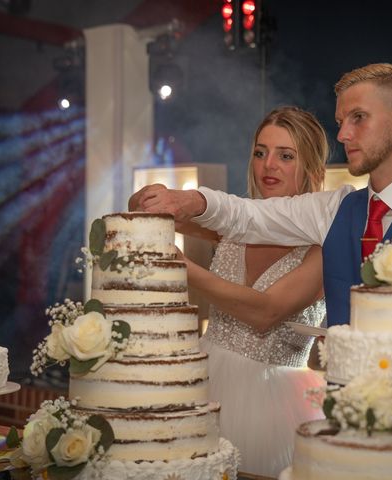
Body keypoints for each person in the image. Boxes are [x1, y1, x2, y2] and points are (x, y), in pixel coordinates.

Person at [129, 63, 392, 419]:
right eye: (341, 122)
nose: (343, 135)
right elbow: (247, 216)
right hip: (339, 425)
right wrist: (191, 200)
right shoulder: (333, 208)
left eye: (358, 118)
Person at [133, 106, 329, 478]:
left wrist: (179, 267)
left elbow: (266, 311)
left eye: (285, 156)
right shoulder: (236, 223)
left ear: (313, 172)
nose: (268, 165)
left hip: (273, 404)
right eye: (260, 152)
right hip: (200, 381)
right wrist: (151, 198)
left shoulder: (324, 246)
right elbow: (154, 214)